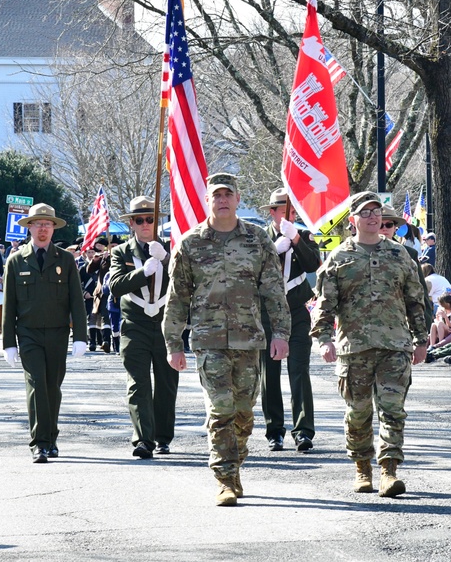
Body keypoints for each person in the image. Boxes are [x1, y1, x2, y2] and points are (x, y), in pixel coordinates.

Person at [162, 173, 290, 507]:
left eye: (228, 195)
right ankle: (225, 478)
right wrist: (173, 343)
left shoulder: (258, 240)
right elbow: (177, 297)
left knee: (244, 414)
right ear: (208, 200)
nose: (222, 200)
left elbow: (274, 290)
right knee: (221, 410)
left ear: (237, 199)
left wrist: (281, 333)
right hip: (209, 340)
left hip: (250, 341)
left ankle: (236, 462)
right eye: (216, 195)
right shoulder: (190, 243)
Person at [311, 191, 429, 498]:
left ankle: (389, 471)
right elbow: (324, 304)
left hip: (394, 346)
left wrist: (421, 340)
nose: (373, 217)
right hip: (355, 349)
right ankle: (362, 468)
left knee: (392, 411)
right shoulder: (339, 258)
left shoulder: (400, 254)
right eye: (365, 213)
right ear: (353, 221)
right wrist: (323, 339)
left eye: (377, 212)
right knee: (358, 412)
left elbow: (416, 301)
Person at [2, 203, 88, 464]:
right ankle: (39, 442)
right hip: (28, 333)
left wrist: (81, 336)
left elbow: (76, 300)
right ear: (29, 227)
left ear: (53, 228)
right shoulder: (16, 260)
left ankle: (51, 437)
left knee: (53, 387)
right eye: (37, 224)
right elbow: (9, 304)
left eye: (47, 224)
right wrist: (8, 343)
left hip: (57, 333)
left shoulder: (65, 259)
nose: (42, 228)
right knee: (37, 383)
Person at [109, 196, 179, 459]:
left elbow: (186, 282)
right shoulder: (122, 252)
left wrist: (167, 260)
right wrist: (143, 272)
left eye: (150, 219)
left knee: (166, 383)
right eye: (140, 220)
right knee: (138, 383)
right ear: (132, 224)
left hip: (165, 324)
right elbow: (115, 286)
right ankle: (143, 439)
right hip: (135, 325)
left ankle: (162, 437)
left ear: (157, 221)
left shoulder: (171, 249)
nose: (145, 224)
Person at [257, 188, 321, 454]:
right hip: (267, 313)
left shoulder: (303, 236)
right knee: (269, 374)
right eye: (283, 210)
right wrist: (273, 250)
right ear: (272, 212)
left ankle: (303, 430)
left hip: (296, 310)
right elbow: (251, 269)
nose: (288, 215)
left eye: (292, 211)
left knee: (299, 371)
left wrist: (295, 239)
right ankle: (275, 431)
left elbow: (312, 265)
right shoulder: (259, 239)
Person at [380, 205, 431, 331]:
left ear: (395, 227)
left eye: (389, 225)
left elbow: (421, 292)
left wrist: (425, 328)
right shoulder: (362, 252)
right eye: (380, 225)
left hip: (400, 326)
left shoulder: (408, 253)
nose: (384, 229)